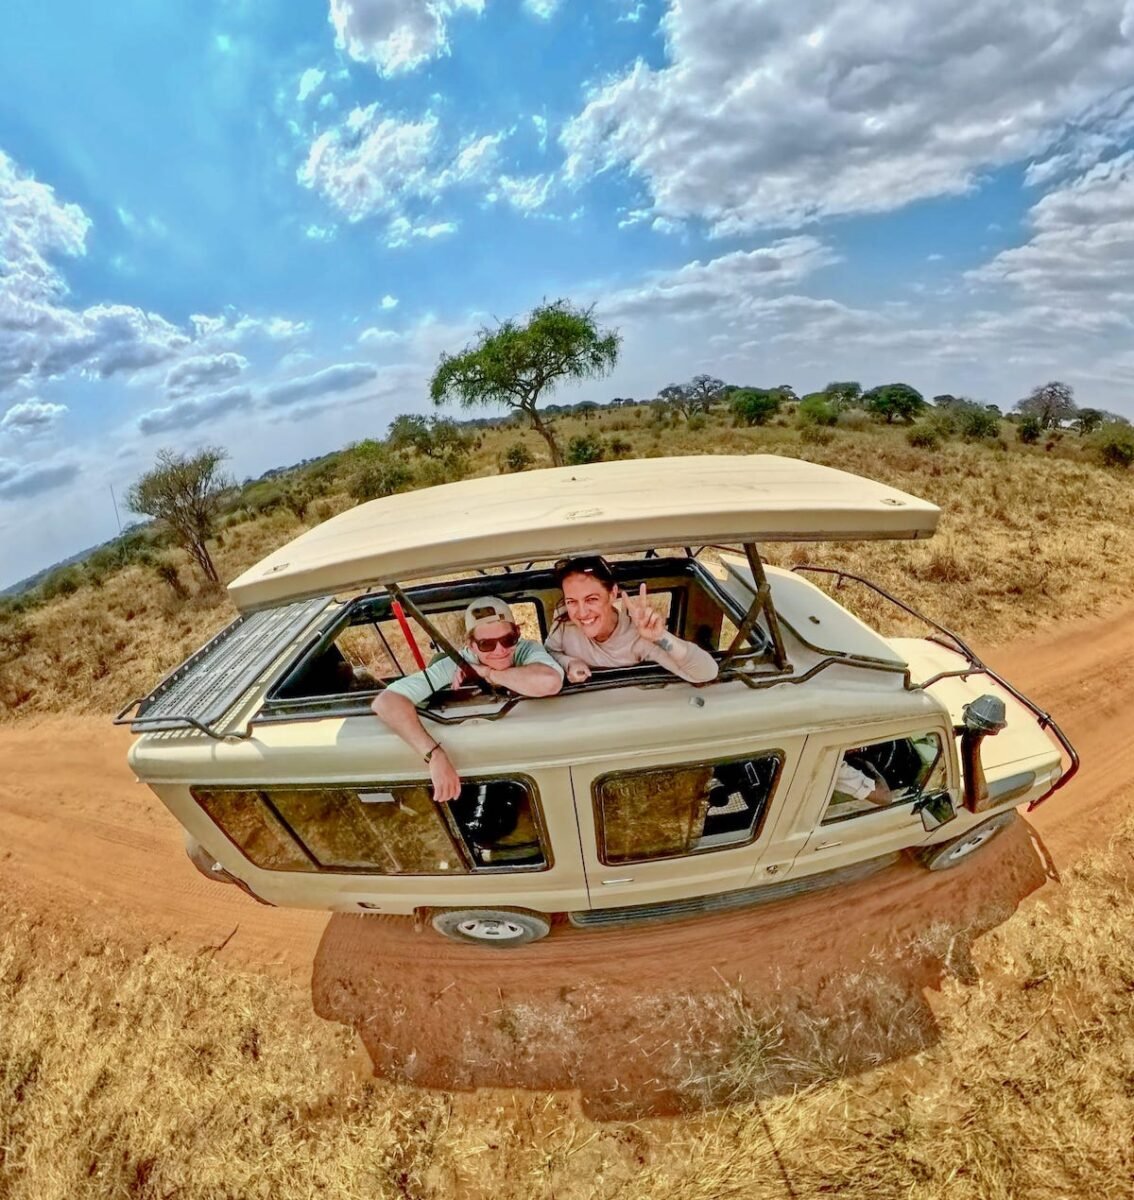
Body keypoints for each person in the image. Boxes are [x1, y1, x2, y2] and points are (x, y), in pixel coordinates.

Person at [371, 596, 563, 802]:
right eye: (486, 644)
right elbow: (386, 702)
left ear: (518, 634)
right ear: (470, 645)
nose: (500, 650)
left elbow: (549, 682)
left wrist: (485, 672)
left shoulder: (527, 648)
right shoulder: (455, 663)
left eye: (508, 639)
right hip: (480, 756)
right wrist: (434, 755)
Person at [546, 555, 718, 684]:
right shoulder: (564, 620)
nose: (582, 612)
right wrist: (569, 663)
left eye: (592, 599)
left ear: (612, 593)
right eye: (572, 601)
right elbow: (549, 652)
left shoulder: (639, 637)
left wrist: (661, 637)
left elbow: (706, 672)